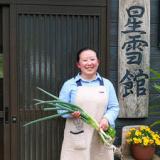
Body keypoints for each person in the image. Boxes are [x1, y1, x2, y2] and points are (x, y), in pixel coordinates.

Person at [58, 48, 119, 160]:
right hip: (77, 134)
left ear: (98, 62)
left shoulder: (107, 84)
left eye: (92, 59)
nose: (89, 63)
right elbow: (60, 109)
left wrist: (106, 119)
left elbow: (114, 107)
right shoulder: (69, 84)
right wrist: (71, 113)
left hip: (100, 133)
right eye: (85, 60)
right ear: (78, 64)